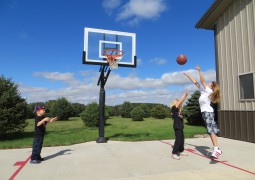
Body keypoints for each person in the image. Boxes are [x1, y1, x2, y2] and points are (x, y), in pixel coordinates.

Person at [184, 65, 222, 158]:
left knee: (210, 130)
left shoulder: (209, 91)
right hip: (206, 113)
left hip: (207, 112)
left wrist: (199, 70)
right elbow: (196, 82)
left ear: (211, 87)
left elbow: (202, 81)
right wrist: (188, 75)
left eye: (209, 84)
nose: (207, 84)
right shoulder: (204, 91)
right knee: (211, 130)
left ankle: (216, 149)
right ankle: (216, 148)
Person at [170, 90, 189, 160]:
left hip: (180, 126)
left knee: (182, 139)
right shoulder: (174, 109)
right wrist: (185, 95)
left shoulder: (178, 110)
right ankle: (174, 153)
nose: (179, 103)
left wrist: (185, 96)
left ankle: (181, 151)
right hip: (177, 126)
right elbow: (180, 101)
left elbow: (181, 102)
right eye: (177, 102)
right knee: (178, 140)